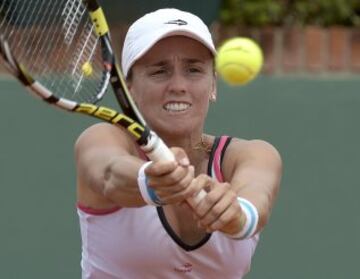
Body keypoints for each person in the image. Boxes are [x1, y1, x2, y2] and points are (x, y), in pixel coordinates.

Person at [75, 8, 282, 279]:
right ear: (131, 89)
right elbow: (109, 174)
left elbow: (257, 199)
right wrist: (151, 181)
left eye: (194, 69)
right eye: (160, 71)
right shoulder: (102, 138)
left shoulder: (251, 155)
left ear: (213, 86)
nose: (178, 85)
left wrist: (236, 216)